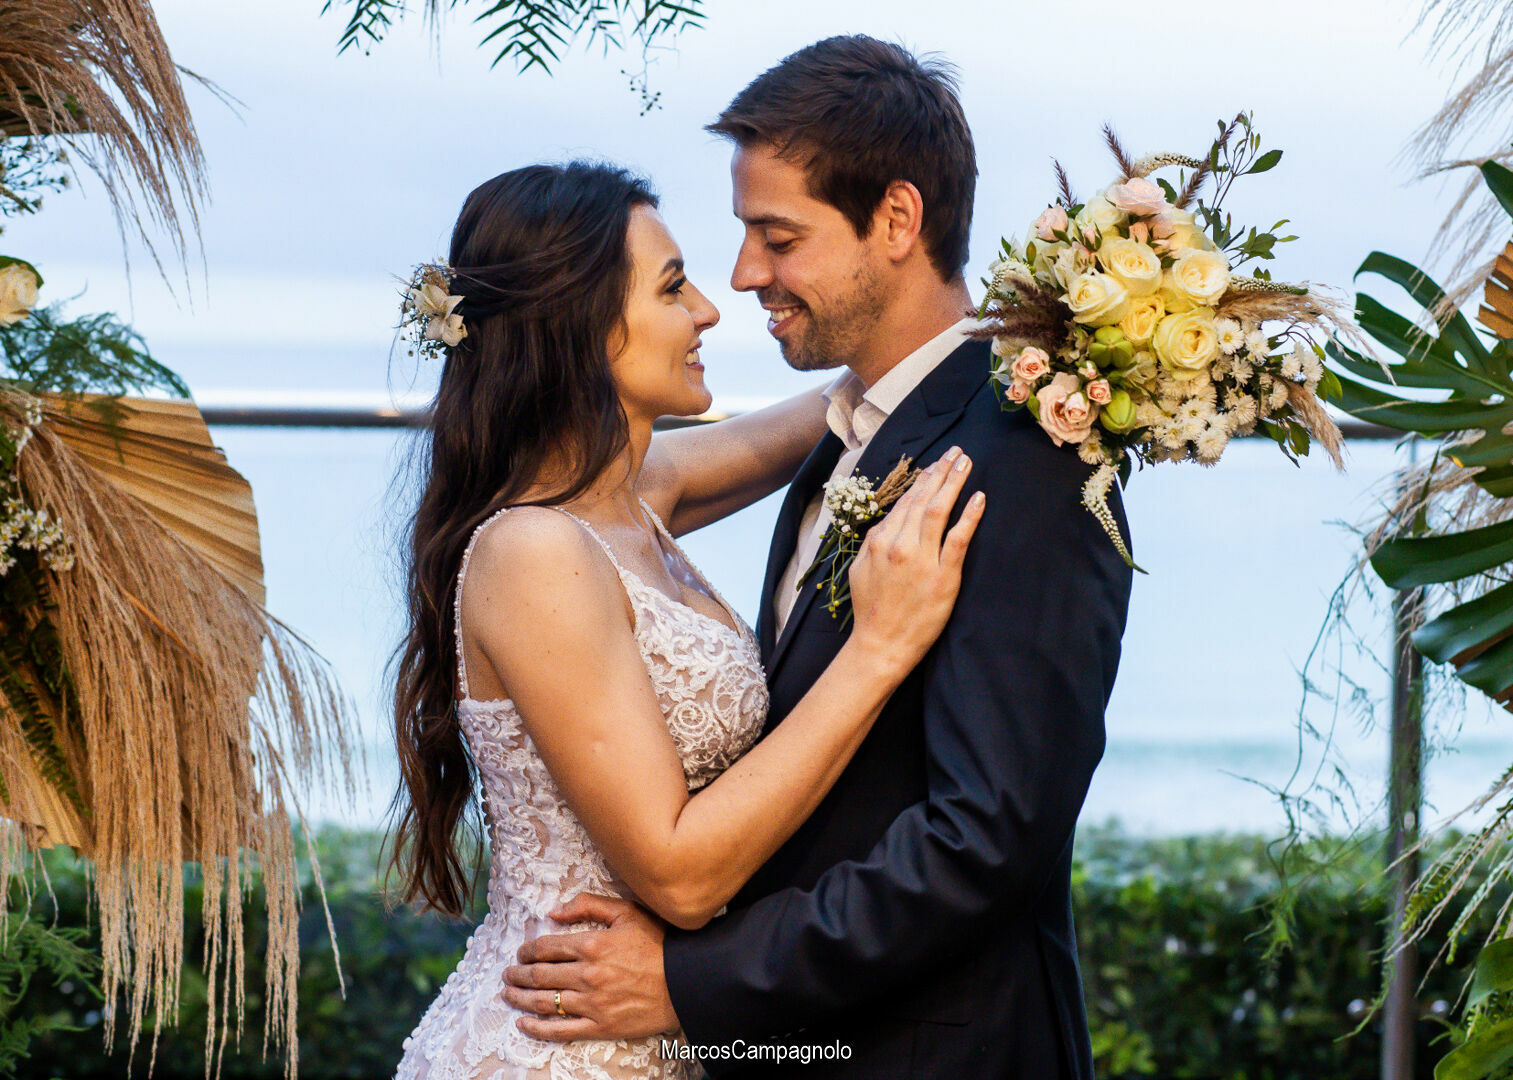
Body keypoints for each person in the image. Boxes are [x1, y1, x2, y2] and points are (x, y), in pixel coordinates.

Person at [502, 37, 1134, 1079]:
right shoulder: (854, 432)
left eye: (776, 237)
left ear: (895, 220)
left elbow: (988, 839)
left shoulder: (1024, 453)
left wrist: (692, 983)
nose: (744, 274)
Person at [389, 159, 985, 1080]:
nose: (709, 309)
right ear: (581, 323)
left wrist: (1018, 326)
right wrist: (880, 647)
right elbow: (678, 873)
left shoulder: (632, 497)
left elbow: (853, 405)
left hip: (661, 1028)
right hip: (557, 1050)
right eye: (672, 287)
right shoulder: (534, 554)